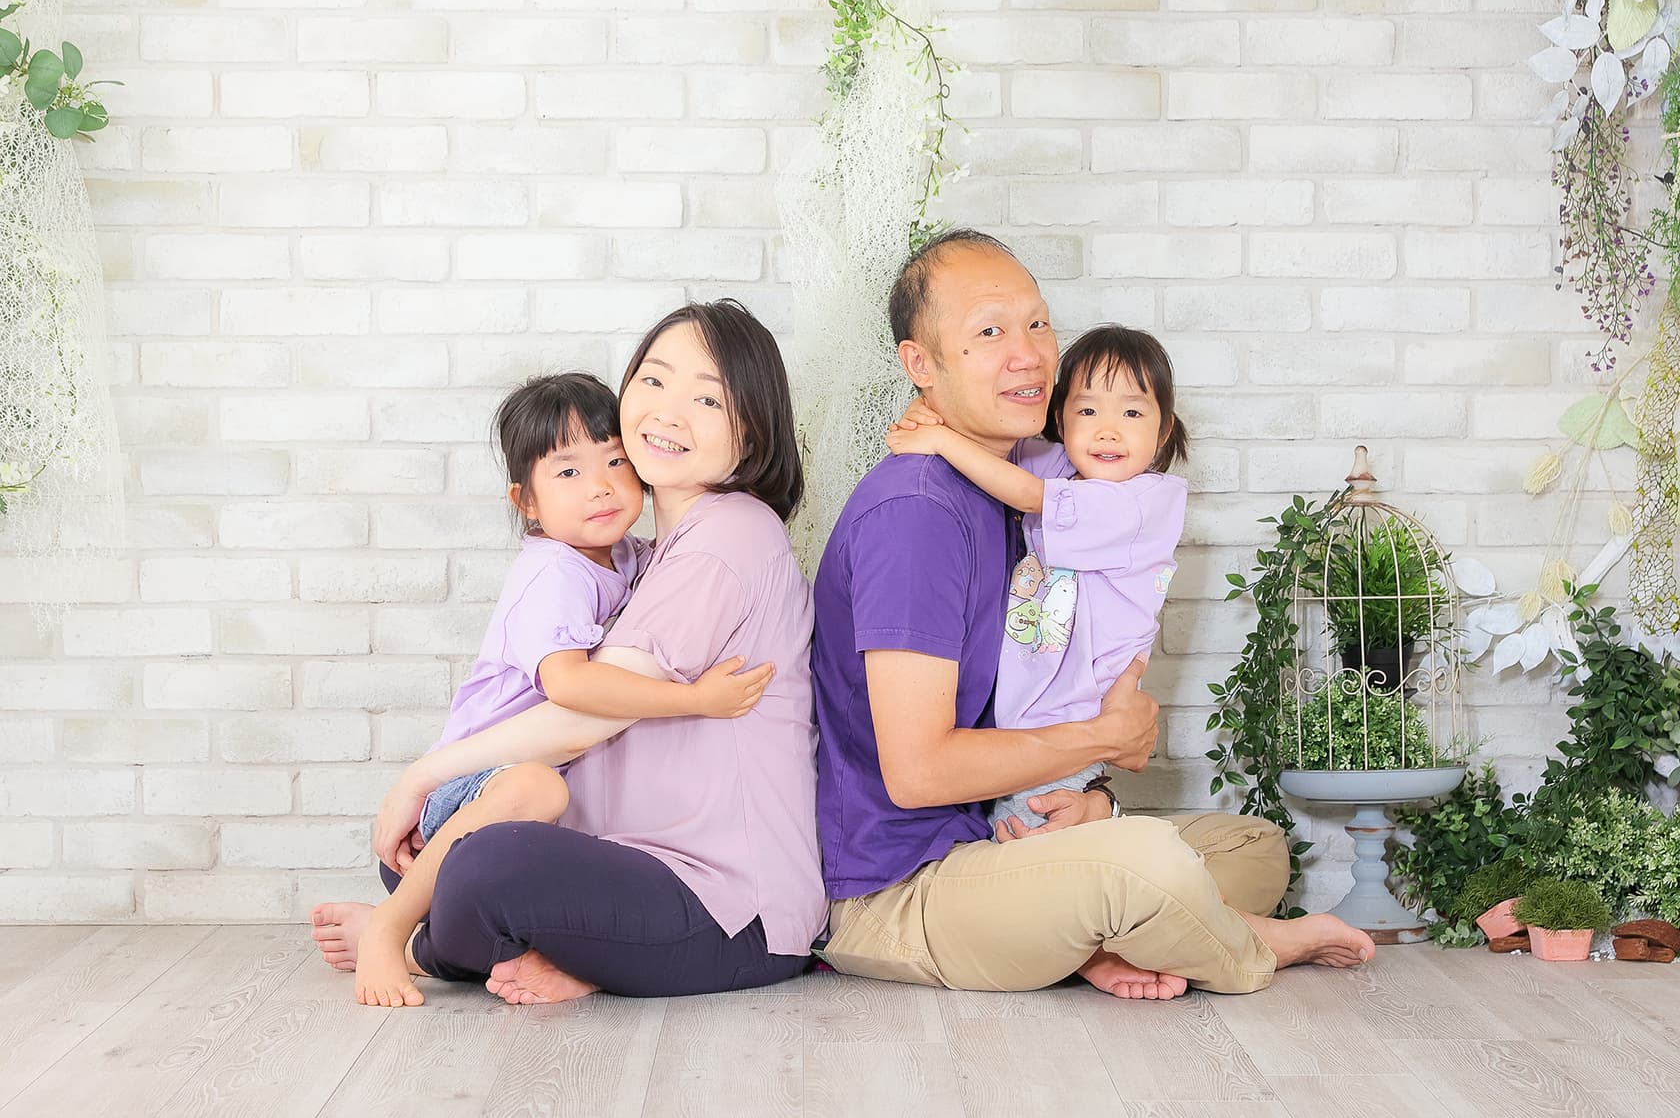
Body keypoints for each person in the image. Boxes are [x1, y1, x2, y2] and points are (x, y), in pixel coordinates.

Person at [811, 229, 1376, 1001]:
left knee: (1253, 843)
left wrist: (1093, 801)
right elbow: (919, 774)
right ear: (922, 364)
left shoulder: (1022, 481)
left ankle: (1105, 938)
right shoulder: (916, 513)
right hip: (900, 887)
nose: (1028, 354)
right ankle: (1251, 941)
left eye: (1038, 323)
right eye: (990, 331)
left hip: (1002, 830)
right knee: (1154, 866)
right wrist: (1106, 737)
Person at [311, 300, 825, 1004]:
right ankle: (566, 955)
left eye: (707, 398)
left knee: (488, 865)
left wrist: (421, 775)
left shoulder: (727, 536)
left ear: (752, 430)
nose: (668, 412)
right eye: (654, 380)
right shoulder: (638, 555)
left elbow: (584, 714)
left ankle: (416, 945)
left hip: (729, 908)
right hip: (641, 869)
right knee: (430, 854)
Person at [883, 324, 1188, 837]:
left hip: (1074, 720)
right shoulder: (1062, 467)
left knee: (1030, 840)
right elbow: (990, 451)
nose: (1107, 430)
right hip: (1031, 719)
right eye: (1087, 411)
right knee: (1024, 841)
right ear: (1061, 419)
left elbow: (1025, 494)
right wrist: (930, 413)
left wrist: (937, 439)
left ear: (1163, 431)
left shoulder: (1145, 503)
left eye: (1132, 413)